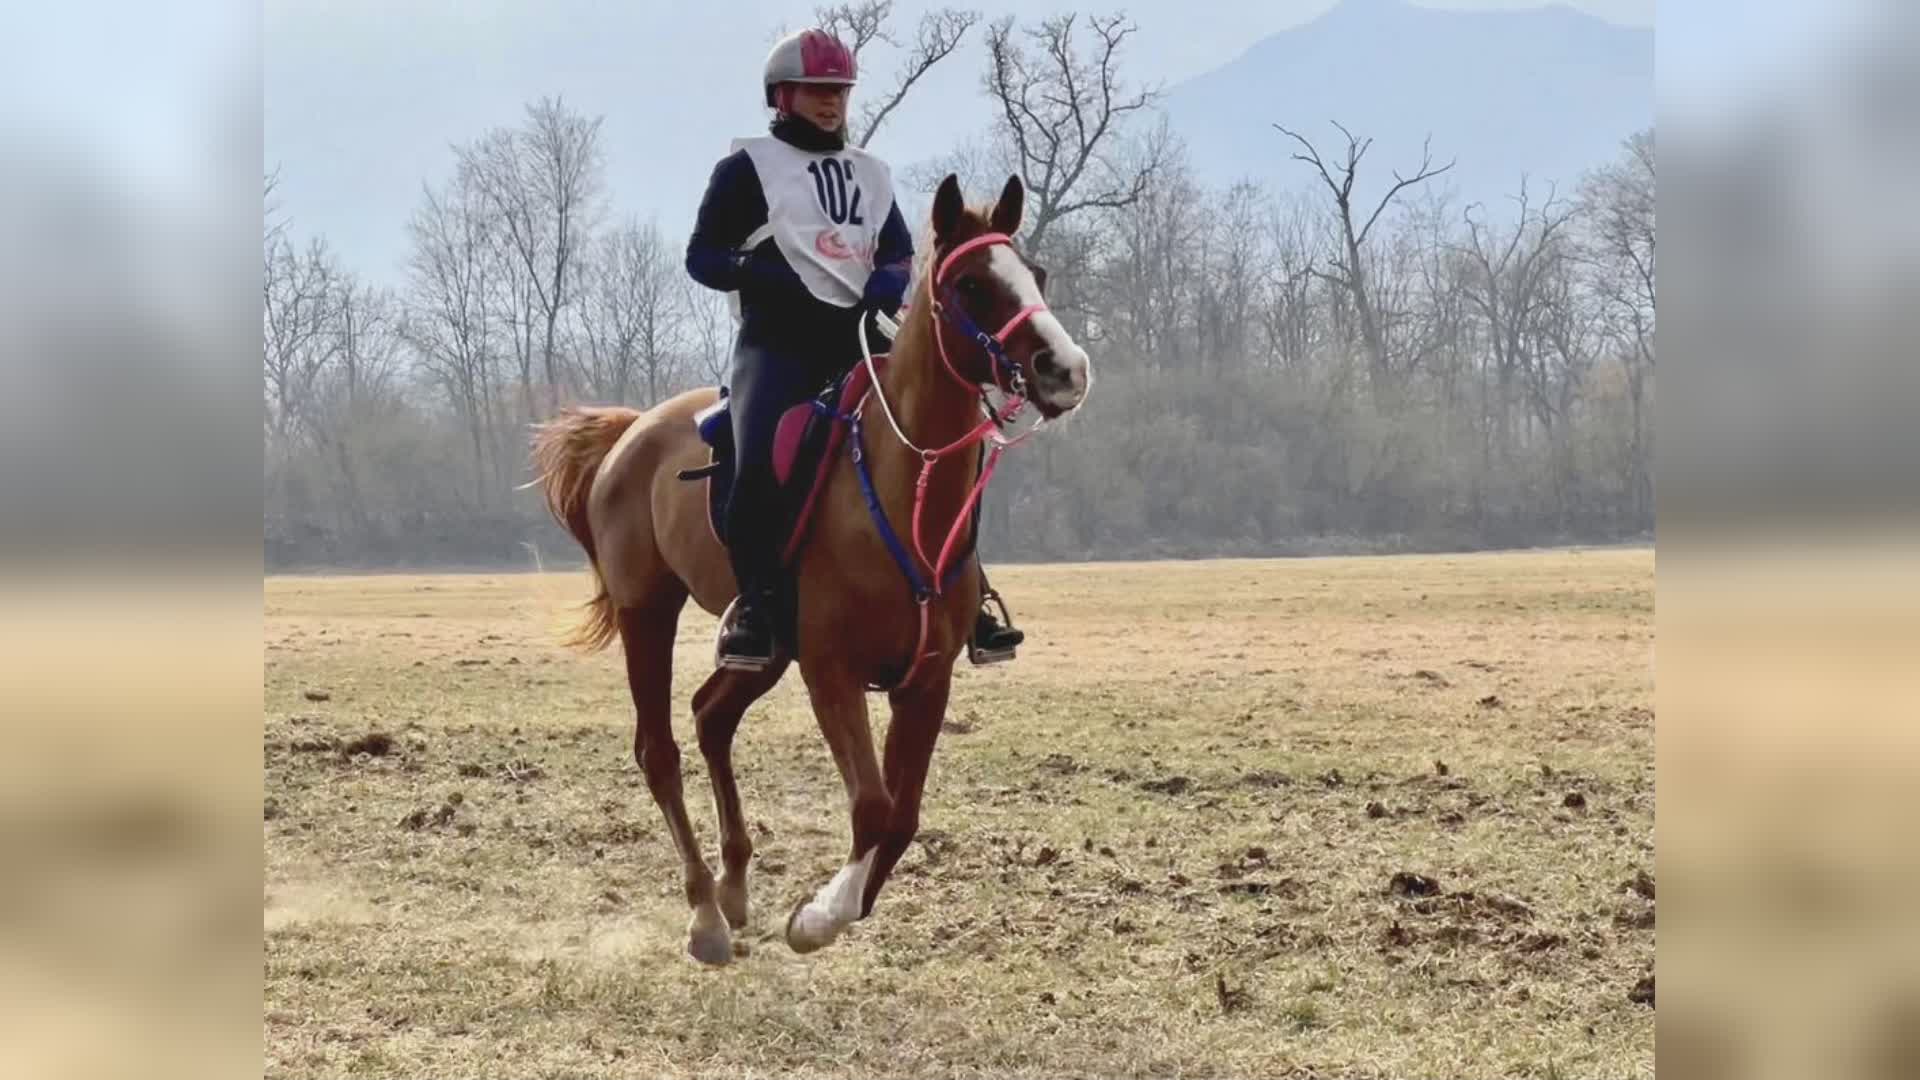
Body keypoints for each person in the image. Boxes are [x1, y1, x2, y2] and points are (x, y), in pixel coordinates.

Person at [685, 26, 1025, 670]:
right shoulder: (745, 169)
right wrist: (759, 274)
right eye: (816, 91)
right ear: (781, 95)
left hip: (861, 339)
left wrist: (889, 282)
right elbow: (701, 256)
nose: (830, 102)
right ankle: (756, 606)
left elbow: (897, 246)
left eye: (838, 91)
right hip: (777, 343)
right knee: (754, 452)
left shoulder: (870, 172)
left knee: (956, 443)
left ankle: (971, 597)